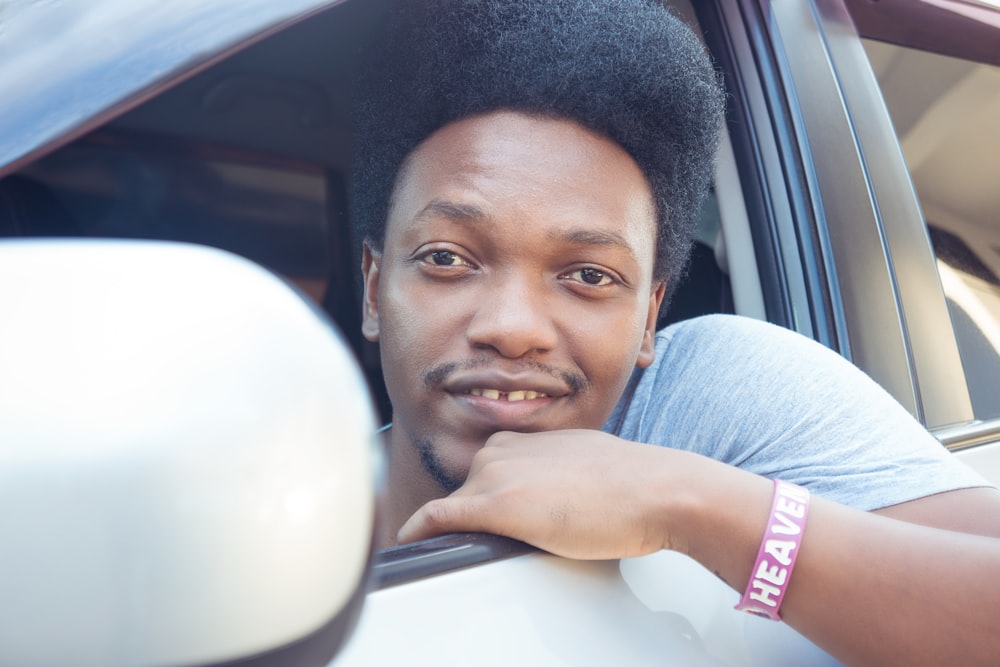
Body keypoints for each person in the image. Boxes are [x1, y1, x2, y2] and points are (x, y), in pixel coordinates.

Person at [352, 0, 1000, 664]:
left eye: (589, 275)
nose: (513, 329)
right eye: (447, 259)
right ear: (374, 289)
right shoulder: (281, 501)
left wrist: (692, 504)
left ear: (649, 318)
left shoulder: (708, 397)